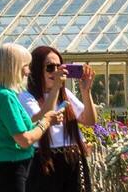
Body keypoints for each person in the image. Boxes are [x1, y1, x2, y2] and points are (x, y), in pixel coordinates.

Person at [0, 43, 62, 192]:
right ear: (14, 67)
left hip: (3, 164)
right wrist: (45, 122)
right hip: (10, 165)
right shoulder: (5, 96)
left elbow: (21, 127)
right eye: (26, 66)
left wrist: (45, 121)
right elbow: (24, 140)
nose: (28, 71)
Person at [19, 46, 95, 192]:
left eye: (59, 67)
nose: (55, 71)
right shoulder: (26, 97)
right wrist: (56, 88)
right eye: (49, 67)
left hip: (72, 157)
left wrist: (86, 91)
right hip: (45, 160)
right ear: (36, 69)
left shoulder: (64, 93)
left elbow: (89, 120)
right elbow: (43, 117)